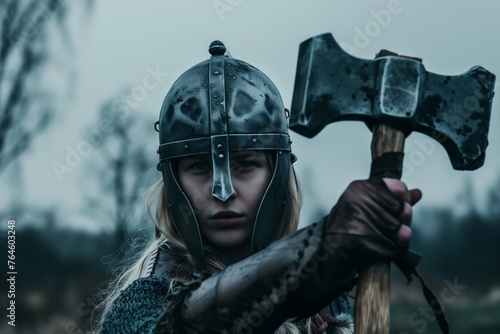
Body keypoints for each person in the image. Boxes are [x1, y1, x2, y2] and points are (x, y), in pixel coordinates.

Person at [97, 40, 421, 334]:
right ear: (173, 180)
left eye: (245, 164)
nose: (222, 192)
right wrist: (318, 250)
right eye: (198, 167)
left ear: (277, 173)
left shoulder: (327, 307)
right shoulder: (143, 302)